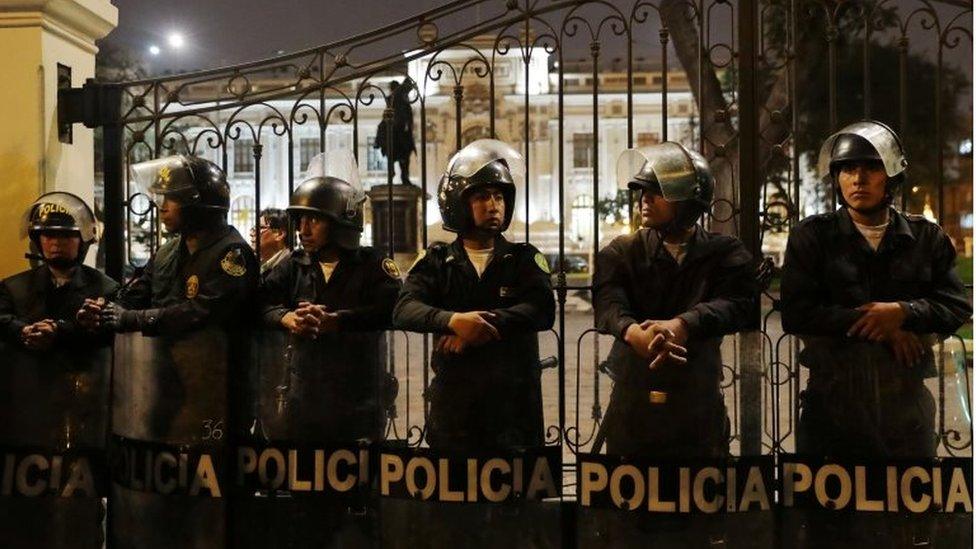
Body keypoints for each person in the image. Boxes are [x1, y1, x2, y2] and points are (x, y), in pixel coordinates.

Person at [87, 154, 258, 549]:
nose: (162, 206)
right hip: (163, 387)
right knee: (168, 490)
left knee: (210, 496)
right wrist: (105, 306)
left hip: (216, 398)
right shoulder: (170, 249)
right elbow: (139, 289)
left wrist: (132, 320)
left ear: (200, 204)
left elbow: (202, 311)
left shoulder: (232, 253)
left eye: (173, 198)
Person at [780, 120, 971, 459]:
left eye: (872, 167)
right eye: (848, 169)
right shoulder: (812, 237)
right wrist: (883, 329)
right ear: (837, 178)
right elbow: (797, 313)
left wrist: (903, 312)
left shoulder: (926, 238)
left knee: (912, 509)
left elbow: (957, 306)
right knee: (824, 511)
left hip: (905, 407)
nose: (859, 178)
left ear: (891, 176)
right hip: (832, 403)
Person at [594, 142, 757, 458]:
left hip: (697, 395)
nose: (645, 199)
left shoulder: (724, 252)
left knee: (703, 491)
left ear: (688, 202)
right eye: (643, 191)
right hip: (633, 394)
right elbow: (607, 303)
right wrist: (632, 332)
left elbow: (739, 303)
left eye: (658, 192)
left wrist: (684, 324)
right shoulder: (622, 251)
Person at [393, 139, 555, 451]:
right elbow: (404, 308)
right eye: (482, 197)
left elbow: (542, 308)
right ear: (459, 203)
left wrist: (477, 329)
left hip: (513, 405)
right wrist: (452, 320)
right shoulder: (437, 261)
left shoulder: (523, 258)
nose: (494, 205)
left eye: (498, 197)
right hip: (456, 402)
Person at [0, 192, 118, 549]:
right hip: (25, 416)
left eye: (64, 235)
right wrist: (20, 331)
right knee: (21, 509)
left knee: (78, 511)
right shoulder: (13, 286)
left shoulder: (105, 287)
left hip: (83, 416)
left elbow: (108, 331)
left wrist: (61, 331)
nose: (54, 242)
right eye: (47, 235)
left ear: (81, 240)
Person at [260, 172, 401, 442]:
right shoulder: (294, 265)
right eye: (300, 220)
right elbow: (258, 302)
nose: (303, 229)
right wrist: (286, 318)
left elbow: (393, 309)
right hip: (305, 397)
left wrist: (339, 321)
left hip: (359, 398)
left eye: (314, 219)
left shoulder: (373, 265)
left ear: (340, 222)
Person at [374, 80, 416, 185]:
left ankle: (403, 177)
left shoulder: (399, 99)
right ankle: (398, 176)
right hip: (395, 130)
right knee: (396, 156)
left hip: (399, 131)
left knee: (402, 157)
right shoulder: (394, 99)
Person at [250, 207, 290, 274]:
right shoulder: (260, 264)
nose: (251, 233)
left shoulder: (290, 267)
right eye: (254, 228)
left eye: (260, 227)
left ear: (279, 234)